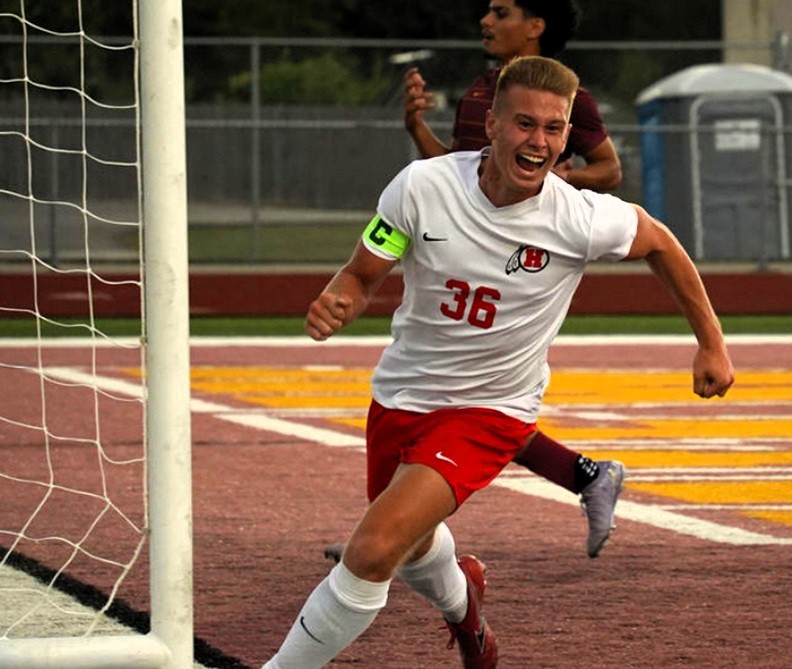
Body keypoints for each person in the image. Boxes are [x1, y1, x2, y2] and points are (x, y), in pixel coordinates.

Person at [265, 56, 734, 669]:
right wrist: (340, 300)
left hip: (491, 412)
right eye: (524, 124)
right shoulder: (421, 187)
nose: (538, 141)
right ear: (490, 125)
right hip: (402, 399)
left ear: (567, 136)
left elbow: (662, 243)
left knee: (374, 548)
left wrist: (711, 341)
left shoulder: (579, 217)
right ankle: (470, 619)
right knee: (410, 549)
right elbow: (363, 271)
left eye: (554, 128)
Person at [396, 0, 627, 559]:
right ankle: (587, 475)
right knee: (457, 393)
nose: (486, 20)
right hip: (466, 255)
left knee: (472, 397)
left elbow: (610, 170)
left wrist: (562, 176)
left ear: (535, 26)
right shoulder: (484, 92)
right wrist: (416, 127)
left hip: (521, 260)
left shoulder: (569, 98)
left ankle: (393, 532)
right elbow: (456, 168)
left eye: (501, 11)